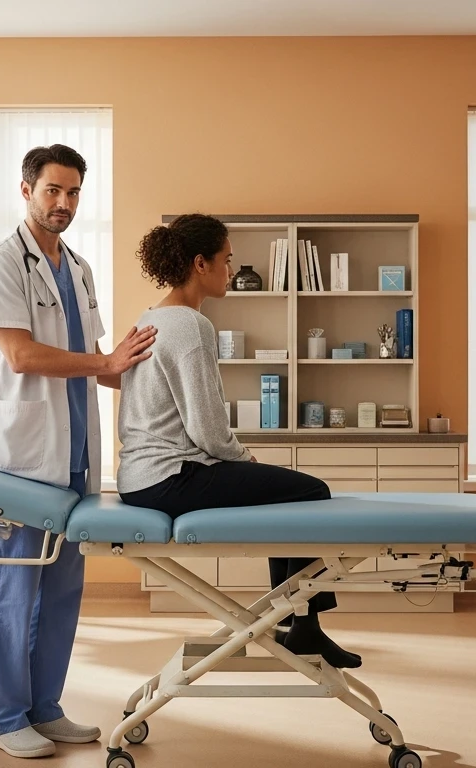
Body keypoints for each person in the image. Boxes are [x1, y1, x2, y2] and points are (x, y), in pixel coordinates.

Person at [0, 144, 157, 759]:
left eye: (72, 193)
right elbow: (22, 356)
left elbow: (97, 362)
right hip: (20, 457)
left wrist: (152, 362)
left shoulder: (80, 268)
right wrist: (106, 360)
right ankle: (5, 716)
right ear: (26, 190)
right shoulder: (1, 263)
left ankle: (45, 707)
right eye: (52, 191)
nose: (63, 204)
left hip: (73, 454)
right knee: (15, 590)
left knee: (63, 589)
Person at [115, 213, 361, 670]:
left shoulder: (151, 317)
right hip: (173, 476)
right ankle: (301, 626)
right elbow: (206, 428)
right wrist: (243, 456)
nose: (232, 270)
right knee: (312, 492)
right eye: (227, 261)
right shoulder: (191, 326)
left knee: (285, 495)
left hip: (141, 475)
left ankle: (301, 625)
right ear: (200, 264)